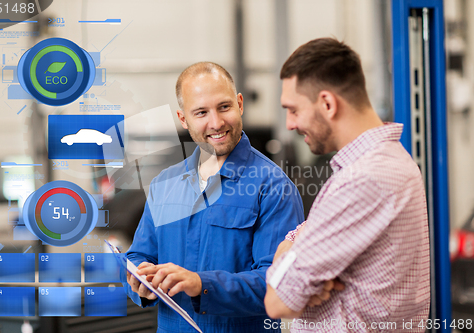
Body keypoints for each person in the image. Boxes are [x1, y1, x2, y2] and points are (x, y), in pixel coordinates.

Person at [123, 62, 304, 332]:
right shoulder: (165, 184)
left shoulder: (274, 186)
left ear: (240, 104)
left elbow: (280, 284)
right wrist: (137, 280)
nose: (216, 122)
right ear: (183, 119)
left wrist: (201, 285)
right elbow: (139, 254)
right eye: (201, 112)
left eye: (224, 107)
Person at [264, 38, 430, 332]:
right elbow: (298, 238)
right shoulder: (389, 160)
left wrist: (286, 261)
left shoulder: (364, 179)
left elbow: (278, 302)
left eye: (293, 109)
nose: (289, 123)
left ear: (327, 103)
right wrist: (291, 246)